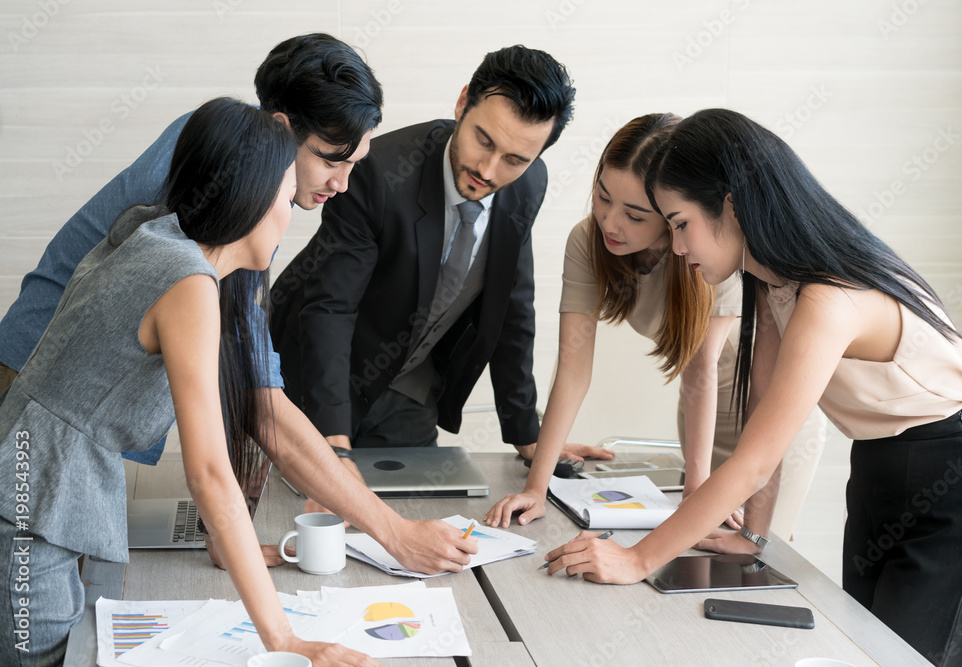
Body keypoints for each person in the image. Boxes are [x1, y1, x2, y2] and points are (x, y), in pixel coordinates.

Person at [0, 98, 476, 667]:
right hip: (29, 509)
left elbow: (249, 407)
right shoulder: (187, 282)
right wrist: (287, 641)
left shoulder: (158, 240)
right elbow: (208, 474)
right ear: (247, 193)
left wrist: (236, 544)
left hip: (34, 489)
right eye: (285, 195)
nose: (291, 211)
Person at [543, 108, 962, 667]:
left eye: (681, 223)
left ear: (730, 205)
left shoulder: (829, 299)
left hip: (953, 472)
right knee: (867, 649)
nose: (677, 246)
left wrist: (637, 560)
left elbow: (754, 462)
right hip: (879, 465)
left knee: (914, 658)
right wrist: (752, 535)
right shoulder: (771, 281)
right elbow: (760, 410)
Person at [0, 32, 382, 467]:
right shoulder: (220, 170)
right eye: (332, 160)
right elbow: (245, 360)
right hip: (35, 379)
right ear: (281, 127)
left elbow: (234, 346)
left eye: (354, 164)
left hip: (70, 393)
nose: (342, 183)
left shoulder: (248, 178)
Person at [270, 45, 597, 468]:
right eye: (484, 140)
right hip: (310, 376)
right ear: (463, 103)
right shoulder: (378, 173)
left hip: (409, 387)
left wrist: (530, 436)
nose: (490, 170)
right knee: (299, 515)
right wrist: (333, 445)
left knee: (420, 507)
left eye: (515, 159)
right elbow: (331, 308)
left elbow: (512, 306)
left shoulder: (529, 184)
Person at [483, 113, 743, 528]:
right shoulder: (588, 242)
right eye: (604, 197)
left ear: (673, 214)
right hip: (699, 413)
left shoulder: (710, 248)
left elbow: (700, 371)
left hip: (764, 405)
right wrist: (537, 486)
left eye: (636, 215)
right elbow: (572, 369)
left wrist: (698, 486)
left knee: (754, 550)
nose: (610, 222)